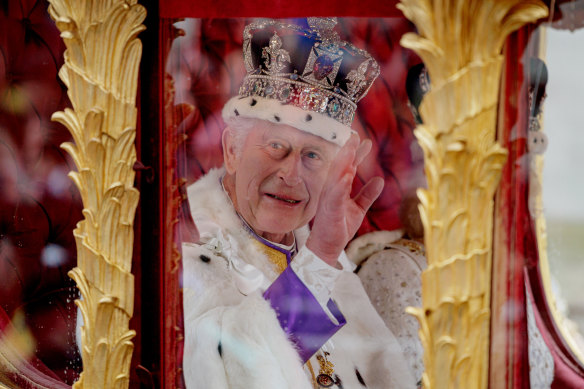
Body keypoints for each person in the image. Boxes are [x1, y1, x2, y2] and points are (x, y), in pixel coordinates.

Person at [182, 18, 416, 389]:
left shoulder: (322, 256)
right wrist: (320, 257)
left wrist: (324, 257)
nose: (291, 174)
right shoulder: (186, 249)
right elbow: (231, 369)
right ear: (232, 150)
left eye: (313, 156)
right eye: (276, 146)